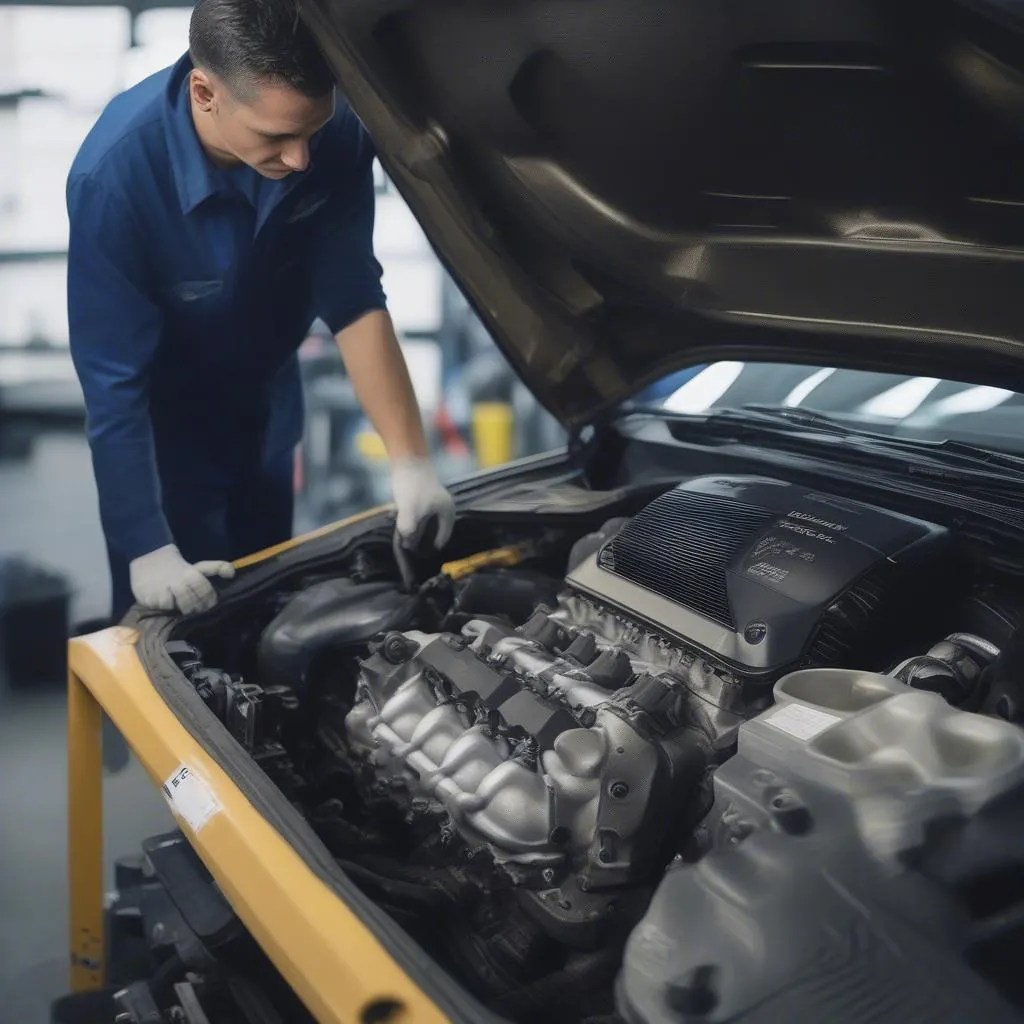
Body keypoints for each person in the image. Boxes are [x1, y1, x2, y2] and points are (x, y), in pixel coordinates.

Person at [66, 0, 455, 620]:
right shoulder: (114, 180)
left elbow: (354, 296)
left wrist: (411, 462)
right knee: (169, 643)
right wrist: (146, 544)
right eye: (276, 137)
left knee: (269, 615)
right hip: (163, 443)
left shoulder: (337, 134)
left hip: (270, 414)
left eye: (312, 131)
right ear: (205, 93)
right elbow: (114, 383)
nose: (301, 158)